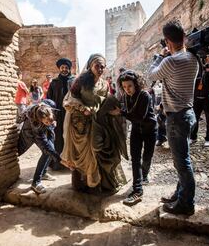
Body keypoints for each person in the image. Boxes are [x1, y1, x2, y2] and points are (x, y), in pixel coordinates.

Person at [146, 20, 198, 215]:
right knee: (182, 159)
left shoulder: (170, 61)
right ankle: (180, 194)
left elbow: (150, 75)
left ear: (167, 41)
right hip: (188, 113)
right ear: (183, 37)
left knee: (182, 162)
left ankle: (186, 204)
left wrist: (159, 56)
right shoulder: (193, 59)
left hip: (176, 117)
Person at [61, 53, 128, 194]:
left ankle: (97, 185)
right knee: (83, 155)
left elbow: (106, 101)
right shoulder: (81, 81)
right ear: (90, 65)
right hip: (79, 124)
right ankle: (82, 185)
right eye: (97, 65)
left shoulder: (104, 83)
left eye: (102, 66)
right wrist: (82, 108)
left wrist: (113, 111)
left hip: (98, 123)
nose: (100, 69)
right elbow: (69, 99)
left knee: (97, 152)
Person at [113, 70, 157, 205]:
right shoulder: (126, 96)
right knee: (135, 159)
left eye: (130, 86)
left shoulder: (144, 95)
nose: (127, 90)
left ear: (136, 84)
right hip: (137, 130)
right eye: (124, 87)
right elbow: (131, 115)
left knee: (147, 157)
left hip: (150, 130)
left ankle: (144, 175)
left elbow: (139, 117)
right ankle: (137, 190)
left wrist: (121, 112)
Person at [17, 99, 65, 194]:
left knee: (51, 150)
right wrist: (61, 160)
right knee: (47, 152)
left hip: (42, 128)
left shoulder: (48, 107)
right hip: (30, 134)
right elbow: (46, 146)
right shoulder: (36, 124)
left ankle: (43, 173)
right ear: (40, 120)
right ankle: (36, 182)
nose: (50, 122)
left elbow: (49, 123)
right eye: (46, 122)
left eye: (50, 119)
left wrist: (50, 125)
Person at [46, 58, 75, 170]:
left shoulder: (74, 81)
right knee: (57, 138)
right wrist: (51, 114)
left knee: (69, 137)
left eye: (66, 68)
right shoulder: (54, 82)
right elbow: (49, 98)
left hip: (70, 114)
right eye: (62, 67)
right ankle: (57, 164)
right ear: (59, 68)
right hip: (57, 114)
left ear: (69, 69)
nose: (64, 69)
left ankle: (70, 164)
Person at [190, 53, 209, 147]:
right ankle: (193, 137)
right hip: (197, 99)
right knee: (195, 119)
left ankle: (208, 138)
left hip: (207, 99)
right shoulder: (195, 71)